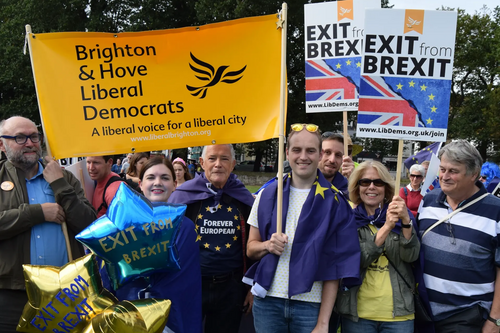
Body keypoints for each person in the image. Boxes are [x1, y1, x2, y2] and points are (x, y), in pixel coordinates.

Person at [245, 123, 360, 333]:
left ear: (319, 155)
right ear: (287, 152)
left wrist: (324, 322)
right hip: (268, 302)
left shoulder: (336, 202)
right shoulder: (267, 195)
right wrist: (268, 245)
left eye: (310, 150)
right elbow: (251, 249)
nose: (303, 156)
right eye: (297, 150)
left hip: (311, 305)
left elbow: (334, 269)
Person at [0, 116, 96, 333]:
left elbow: (88, 224)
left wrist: (59, 183)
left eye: (34, 136)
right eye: (20, 138)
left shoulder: (63, 177)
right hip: (12, 294)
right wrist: (37, 213)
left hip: (64, 293)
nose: (30, 143)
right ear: (2, 145)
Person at [100, 158, 202, 333]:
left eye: (165, 177)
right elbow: (107, 274)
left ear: (174, 184)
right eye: (151, 177)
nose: (157, 182)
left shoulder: (185, 227)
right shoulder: (118, 225)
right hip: (129, 315)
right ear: (140, 183)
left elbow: (182, 279)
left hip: (171, 318)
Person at [168, 144, 255, 333]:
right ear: (201, 162)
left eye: (224, 159)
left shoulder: (244, 200)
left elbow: (254, 246)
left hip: (231, 288)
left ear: (232, 164)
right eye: (212, 158)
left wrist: (251, 287)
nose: (218, 164)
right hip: (191, 285)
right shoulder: (182, 198)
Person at [417, 140, 500, 332]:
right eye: (442, 169)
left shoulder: (496, 211)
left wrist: (495, 319)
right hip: (422, 311)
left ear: (474, 175)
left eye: (453, 171)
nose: (444, 177)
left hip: (467, 316)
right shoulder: (428, 201)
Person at [337, 161, 419, 332]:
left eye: (378, 182)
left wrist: (405, 222)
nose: (372, 187)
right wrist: (387, 227)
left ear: (386, 188)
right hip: (359, 314)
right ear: (357, 188)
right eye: (365, 182)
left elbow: (411, 256)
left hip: (399, 314)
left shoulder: (401, 218)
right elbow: (359, 259)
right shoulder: (349, 221)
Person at [318, 132, 355, 197]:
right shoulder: (297, 183)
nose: (332, 160)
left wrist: (353, 181)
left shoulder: (347, 189)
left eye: (338, 155)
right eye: (327, 152)